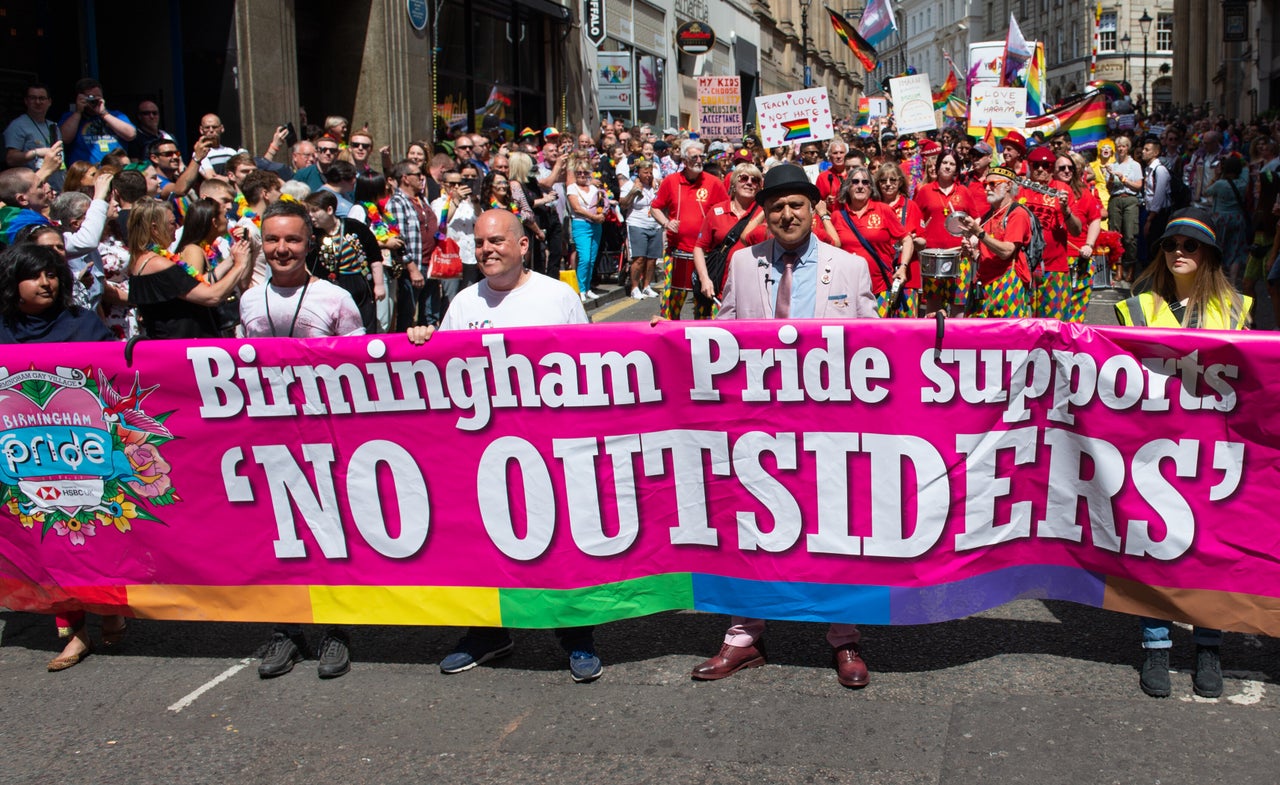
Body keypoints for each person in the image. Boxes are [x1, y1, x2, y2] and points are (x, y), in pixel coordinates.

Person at [688, 163, 878, 689]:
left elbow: (875, 345)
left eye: (796, 204)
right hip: (759, 424)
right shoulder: (745, 264)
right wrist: (669, 340)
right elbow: (723, 330)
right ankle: (744, 637)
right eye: (776, 207)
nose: (787, 214)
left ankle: (844, 638)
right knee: (749, 526)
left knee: (836, 528)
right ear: (765, 214)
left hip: (829, 424)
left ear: (813, 209)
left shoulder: (849, 268)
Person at [416, 209, 601, 683]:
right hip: (483, 450)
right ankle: (488, 633)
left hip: (549, 447)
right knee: (484, 544)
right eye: (479, 244)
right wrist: (420, 342)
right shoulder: (462, 304)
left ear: (523, 246)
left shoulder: (557, 296)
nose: (487, 251)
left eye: (497, 241)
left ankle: (576, 636)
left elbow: (591, 365)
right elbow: (441, 373)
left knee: (560, 543)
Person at [1114, 208, 1249, 698]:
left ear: (1208, 255)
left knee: (1210, 548)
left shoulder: (1237, 309)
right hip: (1151, 449)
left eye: (1191, 247)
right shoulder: (1136, 306)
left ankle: (1208, 646)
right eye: (1172, 245)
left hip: (1214, 448)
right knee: (1156, 544)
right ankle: (1156, 645)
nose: (1179, 253)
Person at [237, 200, 364, 679]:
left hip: (323, 434)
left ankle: (336, 631)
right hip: (266, 435)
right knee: (278, 537)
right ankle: (285, 631)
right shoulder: (249, 300)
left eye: (292, 240)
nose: (281, 249)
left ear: (309, 242)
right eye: (272, 240)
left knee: (330, 536)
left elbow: (359, 367)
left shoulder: (334, 297)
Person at [126, 198, 249, 338]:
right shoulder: (157, 264)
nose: (178, 226)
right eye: (172, 223)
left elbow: (195, 285)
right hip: (180, 349)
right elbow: (212, 296)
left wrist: (231, 260)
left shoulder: (145, 259)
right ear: (154, 228)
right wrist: (240, 266)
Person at [650, 140, 729, 319]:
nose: (700, 160)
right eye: (695, 157)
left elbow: (725, 209)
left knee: (704, 302)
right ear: (684, 160)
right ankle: (670, 339)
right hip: (677, 251)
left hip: (707, 254)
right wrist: (666, 223)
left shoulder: (714, 183)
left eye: (702, 156)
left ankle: (701, 340)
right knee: (672, 302)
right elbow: (655, 207)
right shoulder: (670, 182)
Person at [830, 164, 913, 317]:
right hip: (847, 292)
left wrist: (903, 267)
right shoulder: (837, 216)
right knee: (855, 338)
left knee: (881, 335)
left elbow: (907, 239)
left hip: (880, 289)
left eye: (865, 182)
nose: (860, 186)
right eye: (855, 182)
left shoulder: (883, 210)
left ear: (871, 188)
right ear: (848, 187)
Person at [955, 165, 1032, 318]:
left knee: (1007, 337)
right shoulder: (988, 215)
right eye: (985, 185)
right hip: (984, 283)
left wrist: (979, 232)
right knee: (977, 336)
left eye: (992, 184)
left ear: (1008, 185)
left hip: (1006, 283)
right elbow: (985, 254)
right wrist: (971, 251)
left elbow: (1007, 251)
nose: (987, 189)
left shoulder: (1018, 213)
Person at [304, 189, 385, 332]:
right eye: (309, 212)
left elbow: (375, 256)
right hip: (330, 286)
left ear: (329, 209)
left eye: (315, 211)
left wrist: (379, 285)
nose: (311, 216)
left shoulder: (355, 227)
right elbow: (308, 262)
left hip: (359, 282)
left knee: (365, 322)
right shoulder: (313, 235)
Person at [692, 162, 768, 310]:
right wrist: (705, 279)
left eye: (755, 180)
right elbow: (699, 248)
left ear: (760, 187)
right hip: (720, 288)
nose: (749, 183)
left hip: (755, 290)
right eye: (744, 178)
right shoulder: (717, 210)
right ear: (733, 184)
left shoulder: (766, 213)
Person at [1023, 146, 1082, 320]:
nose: (1041, 169)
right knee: (1024, 324)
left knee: (1055, 325)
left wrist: (1066, 210)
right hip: (1024, 269)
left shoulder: (1063, 189)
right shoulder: (1020, 188)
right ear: (1029, 166)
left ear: (1052, 168)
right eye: (1036, 165)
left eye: (1046, 165)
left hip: (1055, 268)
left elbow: (1076, 230)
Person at [913, 151, 975, 316]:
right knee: (933, 305)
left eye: (952, 164)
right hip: (932, 257)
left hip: (959, 256)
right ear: (938, 166)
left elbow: (976, 220)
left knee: (958, 305)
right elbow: (915, 218)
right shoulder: (925, 191)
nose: (948, 167)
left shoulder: (964, 192)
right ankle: (933, 340)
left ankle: (958, 341)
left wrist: (971, 240)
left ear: (957, 169)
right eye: (944, 163)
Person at [1062, 152, 1103, 323]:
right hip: (1054, 261)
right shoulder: (1046, 190)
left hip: (1079, 257)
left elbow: (1095, 219)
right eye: (1062, 168)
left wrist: (1089, 244)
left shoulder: (1084, 193)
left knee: (1075, 315)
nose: (1066, 171)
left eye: (1070, 168)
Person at [59, 77, 136, 165]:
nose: (94, 101)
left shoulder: (116, 115)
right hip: (86, 173)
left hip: (116, 169)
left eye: (97, 97)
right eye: (90, 98)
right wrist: (78, 112)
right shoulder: (71, 117)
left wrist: (104, 114)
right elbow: (64, 139)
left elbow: (131, 134)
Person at [5, 84, 65, 191]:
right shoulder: (17, 125)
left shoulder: (53, 126)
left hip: (58, 187)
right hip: (35, 190)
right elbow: (10, 159)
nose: (38, 102)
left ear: (49, 102)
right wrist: (36, 152)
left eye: (42, 98)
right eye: (33, 98)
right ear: (26, 101)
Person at [567, 159, 610, 301]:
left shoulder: (594, 188)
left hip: (596, 225)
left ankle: (587, 287)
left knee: (592, 259)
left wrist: (602, 215)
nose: (582, 175)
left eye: (585, 172)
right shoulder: (572, 188)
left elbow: (602, 203)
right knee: (584, 258)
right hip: (581, 224)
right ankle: (581, 289)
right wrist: (594, 217)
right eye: (578, 172)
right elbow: (576, 208)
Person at [1104, 136, 1143, 283]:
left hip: (1130, 200)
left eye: (1124, 146)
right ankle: (1118, 268)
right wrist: (1111, 178)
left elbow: (1138, 186)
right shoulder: (1112, 165)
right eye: (1118, 146)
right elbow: (1109, 188)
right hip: (1115, 199)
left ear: (1128, 148)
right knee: (1115, 235)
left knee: (1130, 236)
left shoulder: (1135, 165)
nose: (1121, 149)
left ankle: (1130, 268)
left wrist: (1123, 179)